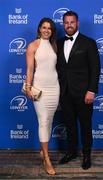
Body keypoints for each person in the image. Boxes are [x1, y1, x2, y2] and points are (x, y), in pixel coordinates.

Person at [57, 11, 100, 170]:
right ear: (63, 24)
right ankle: (71, 152)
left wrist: (91, 90)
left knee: (86, 125)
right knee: (69, 125)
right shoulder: (59, 42)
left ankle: (87, 154)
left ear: (78, 23)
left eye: (72, 22)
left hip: (84, 93)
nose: (69, 25)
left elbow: (95, 69)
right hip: (65, 92)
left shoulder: (89, 42)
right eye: (66, 22)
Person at [25, 17, 59, 175]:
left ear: (52, 31)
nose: (46, 30)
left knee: (49, 120)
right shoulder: (33, 45)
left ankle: (42, 149)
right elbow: (30, 69)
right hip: (40, 89)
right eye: (44, 27)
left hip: (54, 88)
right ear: (39, 29)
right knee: (43, 121)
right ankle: (46, 158)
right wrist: (28, 87)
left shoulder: (54, 45)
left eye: (49, 28)